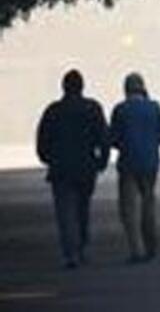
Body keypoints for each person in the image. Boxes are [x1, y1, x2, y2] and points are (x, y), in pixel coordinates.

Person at [35, 70, 110, 269]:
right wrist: (102, 161)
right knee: (82, 209)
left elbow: (42, 141)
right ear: (82, 87)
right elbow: (103, 137)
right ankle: (82, 245)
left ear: (63, 87)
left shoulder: (53, 111)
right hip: (86, 168)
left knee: (65, 212)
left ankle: (70, 253)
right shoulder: (93, 108)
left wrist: (48, 159)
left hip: (61, 169)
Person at [110, 72, 160, 264]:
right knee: (148, 203)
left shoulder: (120, 110)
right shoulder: (154, 107)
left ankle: (137, 250)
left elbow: (114, 139)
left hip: (128, 163)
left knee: (128, 208)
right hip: (150, 163)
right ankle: (151, 243)